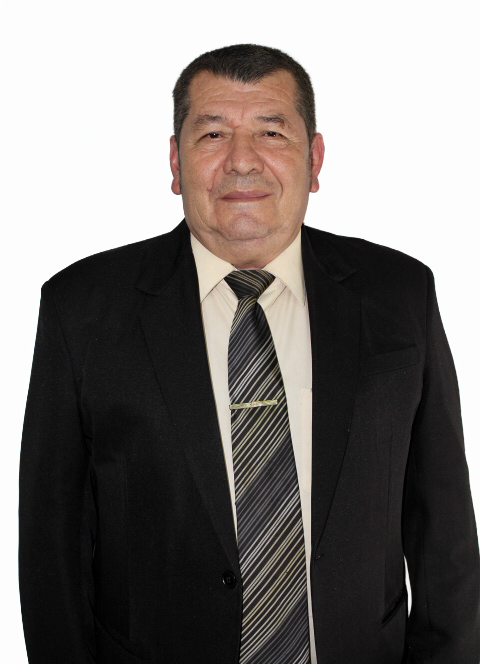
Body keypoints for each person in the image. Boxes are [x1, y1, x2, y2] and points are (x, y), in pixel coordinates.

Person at [18, 43, 479, 664]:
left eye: (271, 132)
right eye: (212, 134)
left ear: (314, 159)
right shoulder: (82, 310)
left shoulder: (399, 295)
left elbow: (444, 534)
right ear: (175, 161)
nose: (241, 161)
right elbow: (50, 551)